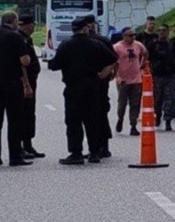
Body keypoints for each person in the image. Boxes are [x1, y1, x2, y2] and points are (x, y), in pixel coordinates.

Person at [48, 17, 117, 165]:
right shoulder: (96, 43)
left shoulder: (66, 45)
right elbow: (112, 58)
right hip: (93, 86)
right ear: (85, 29)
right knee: (92, 120)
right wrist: (104, 73)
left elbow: (53, 65)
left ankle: (76, 152)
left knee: (74, 121)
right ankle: (94, 152)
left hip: (73, 87)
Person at [0, 11, 34, 167]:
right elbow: (25, 61)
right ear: (13, 21)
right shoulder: (15, 37)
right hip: (12, 82)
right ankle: (14, 157)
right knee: (14, 120)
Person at [85, 14, 115, 158]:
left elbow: (113, 59)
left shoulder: (101, 40)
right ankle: (96, 147)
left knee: (100, 113)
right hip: (93, 82)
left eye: (92, 24)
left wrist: (107, 73)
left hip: (99, 83)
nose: (90, 27)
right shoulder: (85, 41)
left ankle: (103, 146)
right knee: (95, 115)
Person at [18, 14, 45, 159]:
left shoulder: (26, 39)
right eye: (32, 25)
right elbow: (22, 64)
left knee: (29, 114)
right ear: (29, 25)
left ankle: (28, 145)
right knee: (24, 114)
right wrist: (26, 84)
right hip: (25, 82)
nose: (33, 27)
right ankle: (22, 146)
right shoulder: (20, 39)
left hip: (30, 81)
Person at [113, 27, 146, 136]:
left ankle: (133, 125)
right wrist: (115, 74)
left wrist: (142, 65)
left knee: (135, 104)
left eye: (133, 35)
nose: (132, 37)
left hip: (136, 79)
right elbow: (112, 61)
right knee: (122, 103)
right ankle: (120, 118)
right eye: (130, 35)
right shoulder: (117, 47)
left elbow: (145, 53)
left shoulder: (138, 45)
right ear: (124, 36)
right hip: (123, 79)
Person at [148, 24, 175, 131]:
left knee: (170, 99)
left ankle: (168, 120)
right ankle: (157, 115)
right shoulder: (153, 45)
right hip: (157, 76)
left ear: (168, 32)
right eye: (160, 31)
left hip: (170, 76)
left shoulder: (172, 45)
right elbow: (147, 59)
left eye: (164, 31)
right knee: (157, 99)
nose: (162, 32)